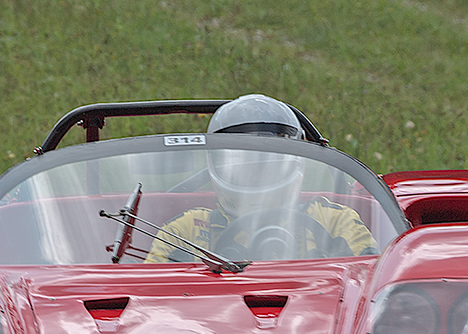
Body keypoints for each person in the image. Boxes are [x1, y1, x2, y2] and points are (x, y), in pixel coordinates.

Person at [144, 94, 377, 263]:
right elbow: (147, 300)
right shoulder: (185, 230)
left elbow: (371, 287)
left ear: (298, 162)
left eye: (267, 165)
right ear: (213, 164)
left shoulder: (334, 221)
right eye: (243, 167)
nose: (256, 177)